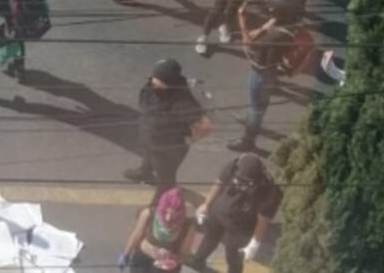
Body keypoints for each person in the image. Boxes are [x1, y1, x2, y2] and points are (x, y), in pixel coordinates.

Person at [124, 59, 212, 203]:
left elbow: (205, 126)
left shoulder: (182, 101)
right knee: (148, 156)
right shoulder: (153, 85)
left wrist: (190, 139)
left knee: (166, 181)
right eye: (153, 77)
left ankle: (158, 206)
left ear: (169, 82)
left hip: (167, 149)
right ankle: (144, 172)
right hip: (151, 138)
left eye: (157, 80)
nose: (153, 81)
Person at [187, 154, 282, 273]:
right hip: (218, 212)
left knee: (233, 254)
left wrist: (254, 244)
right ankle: (198, 260)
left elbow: (263, 219)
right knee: (209, 238)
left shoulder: (268, 190)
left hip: (240, 226)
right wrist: (206, 205)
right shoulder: (234, 165)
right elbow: (219, 183)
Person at [119, 188, 196, 273]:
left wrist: (171, 257)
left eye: (173, 215)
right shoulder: (148, 214)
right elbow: (137, 235)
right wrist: (126, 254)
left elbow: (184, 255)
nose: (168, 218)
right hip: (142, 261)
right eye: (165, 212)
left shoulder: (187, 227)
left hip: (166, 269)